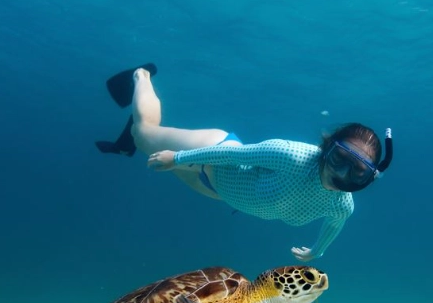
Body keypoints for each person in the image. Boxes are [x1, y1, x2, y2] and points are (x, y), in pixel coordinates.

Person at [95, 63, 393, 261]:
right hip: (213, 151)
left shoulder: (342, 205)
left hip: (217, 191)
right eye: (340, 158)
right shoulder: (292, 156)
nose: (341, 173)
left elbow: (334, 225)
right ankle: (142, 76)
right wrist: (178, 158)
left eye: (357, 171)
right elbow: (234, 155)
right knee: (143, 134)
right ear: (326, 148)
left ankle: (129, 143)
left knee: (143, 147)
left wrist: (317, 251)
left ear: (368, 178)